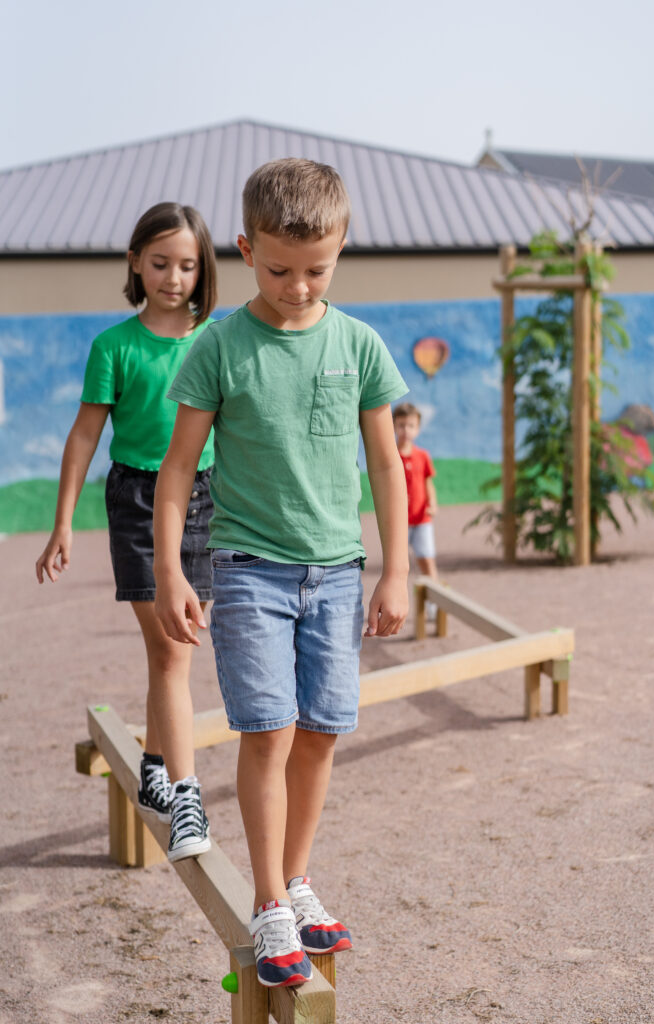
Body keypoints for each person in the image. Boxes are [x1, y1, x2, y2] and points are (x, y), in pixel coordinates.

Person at [153, 158, 410, 988]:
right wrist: (170, 571)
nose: (297, 288)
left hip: (336, 574)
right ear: (244, 250)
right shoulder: (220, 346)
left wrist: (395, 571)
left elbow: (385, 465)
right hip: (248, 570)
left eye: (316, 271)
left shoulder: (359, 345)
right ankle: (267, 902)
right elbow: (178, 469)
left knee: (322, 731)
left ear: (340, 251)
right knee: (266, 730)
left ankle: (296, 880)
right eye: (277, 271)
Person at [35, 202, 217, 863]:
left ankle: (155, 768)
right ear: (135, 262)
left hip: (205, 498)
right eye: (160, 263)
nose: (174, 278)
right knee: (172, 649)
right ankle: (187, 795)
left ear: (203, 270)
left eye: (187, 265)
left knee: (172, 654)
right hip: (137, 501)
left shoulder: (215, 339)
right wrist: (63, 523)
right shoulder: (113, 346)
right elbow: (84, 436)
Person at [392, 402, 439, 606]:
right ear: (394, 426)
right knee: (398, 566)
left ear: (418, 428)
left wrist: (433, 503)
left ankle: (434, 604)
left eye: (411, 425)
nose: (406, 430)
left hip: (421, 519)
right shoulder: (390, 457)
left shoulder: (423, 456)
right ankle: (397, 605)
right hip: (398, 521)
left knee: (427, 560)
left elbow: (428, 483)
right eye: (401, 425)